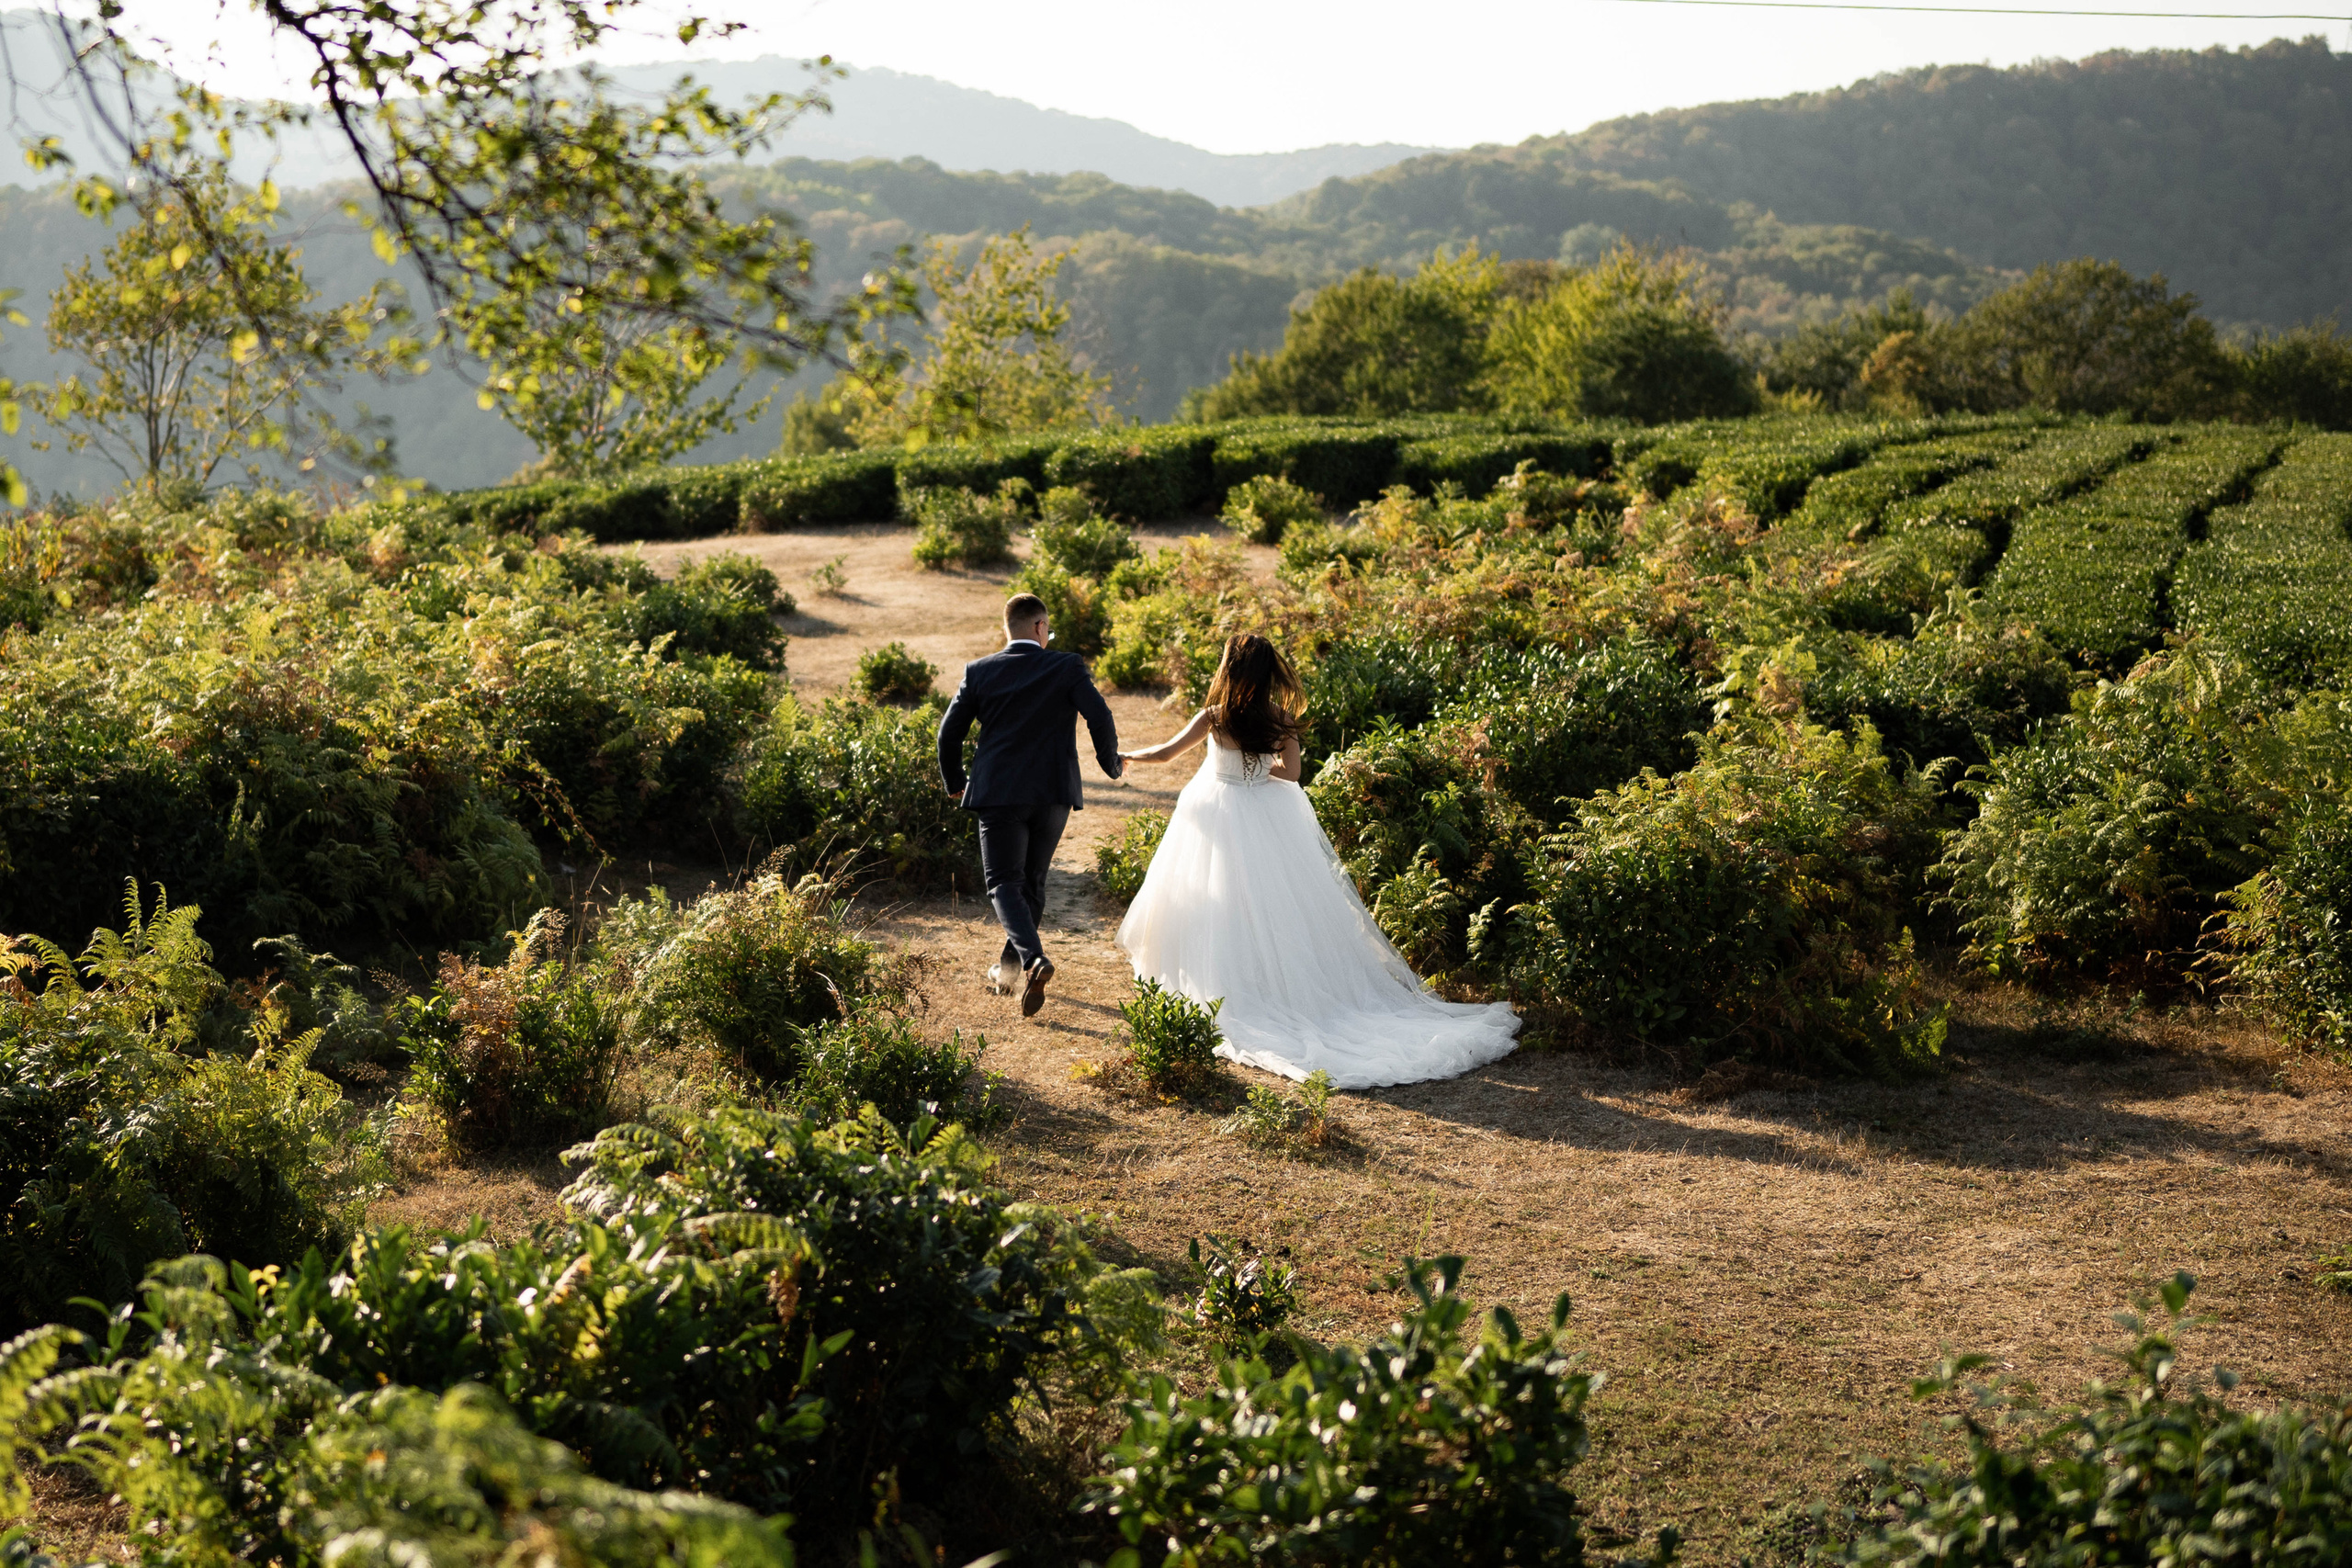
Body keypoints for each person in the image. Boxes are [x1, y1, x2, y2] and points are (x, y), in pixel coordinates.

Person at [1115, 633, 1520, 1089]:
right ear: (1269, 674)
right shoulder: (1280, 719)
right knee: (1277, 905)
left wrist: (1130, 755)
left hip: (1215, 808)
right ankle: (1279, 986)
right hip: (1267, 813)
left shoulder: (1214, 717)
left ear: (1229, 669)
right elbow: (1292, 774)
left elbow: (1167, 752)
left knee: (1215, 899)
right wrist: (1258, 770)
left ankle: (1231, 985)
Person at [937, 592, 1125, 1017]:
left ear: (1010, 628)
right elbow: (1100, 715)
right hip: (1054, 792)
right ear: (1040, 627)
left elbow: (948, 735)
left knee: (1004, 881)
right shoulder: (1067, 665)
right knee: (1033, 882)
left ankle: (1033, 960)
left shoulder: (979, 671)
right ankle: (1008, 972)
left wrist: (956, 782)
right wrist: (1110, 764)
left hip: (999, 793)